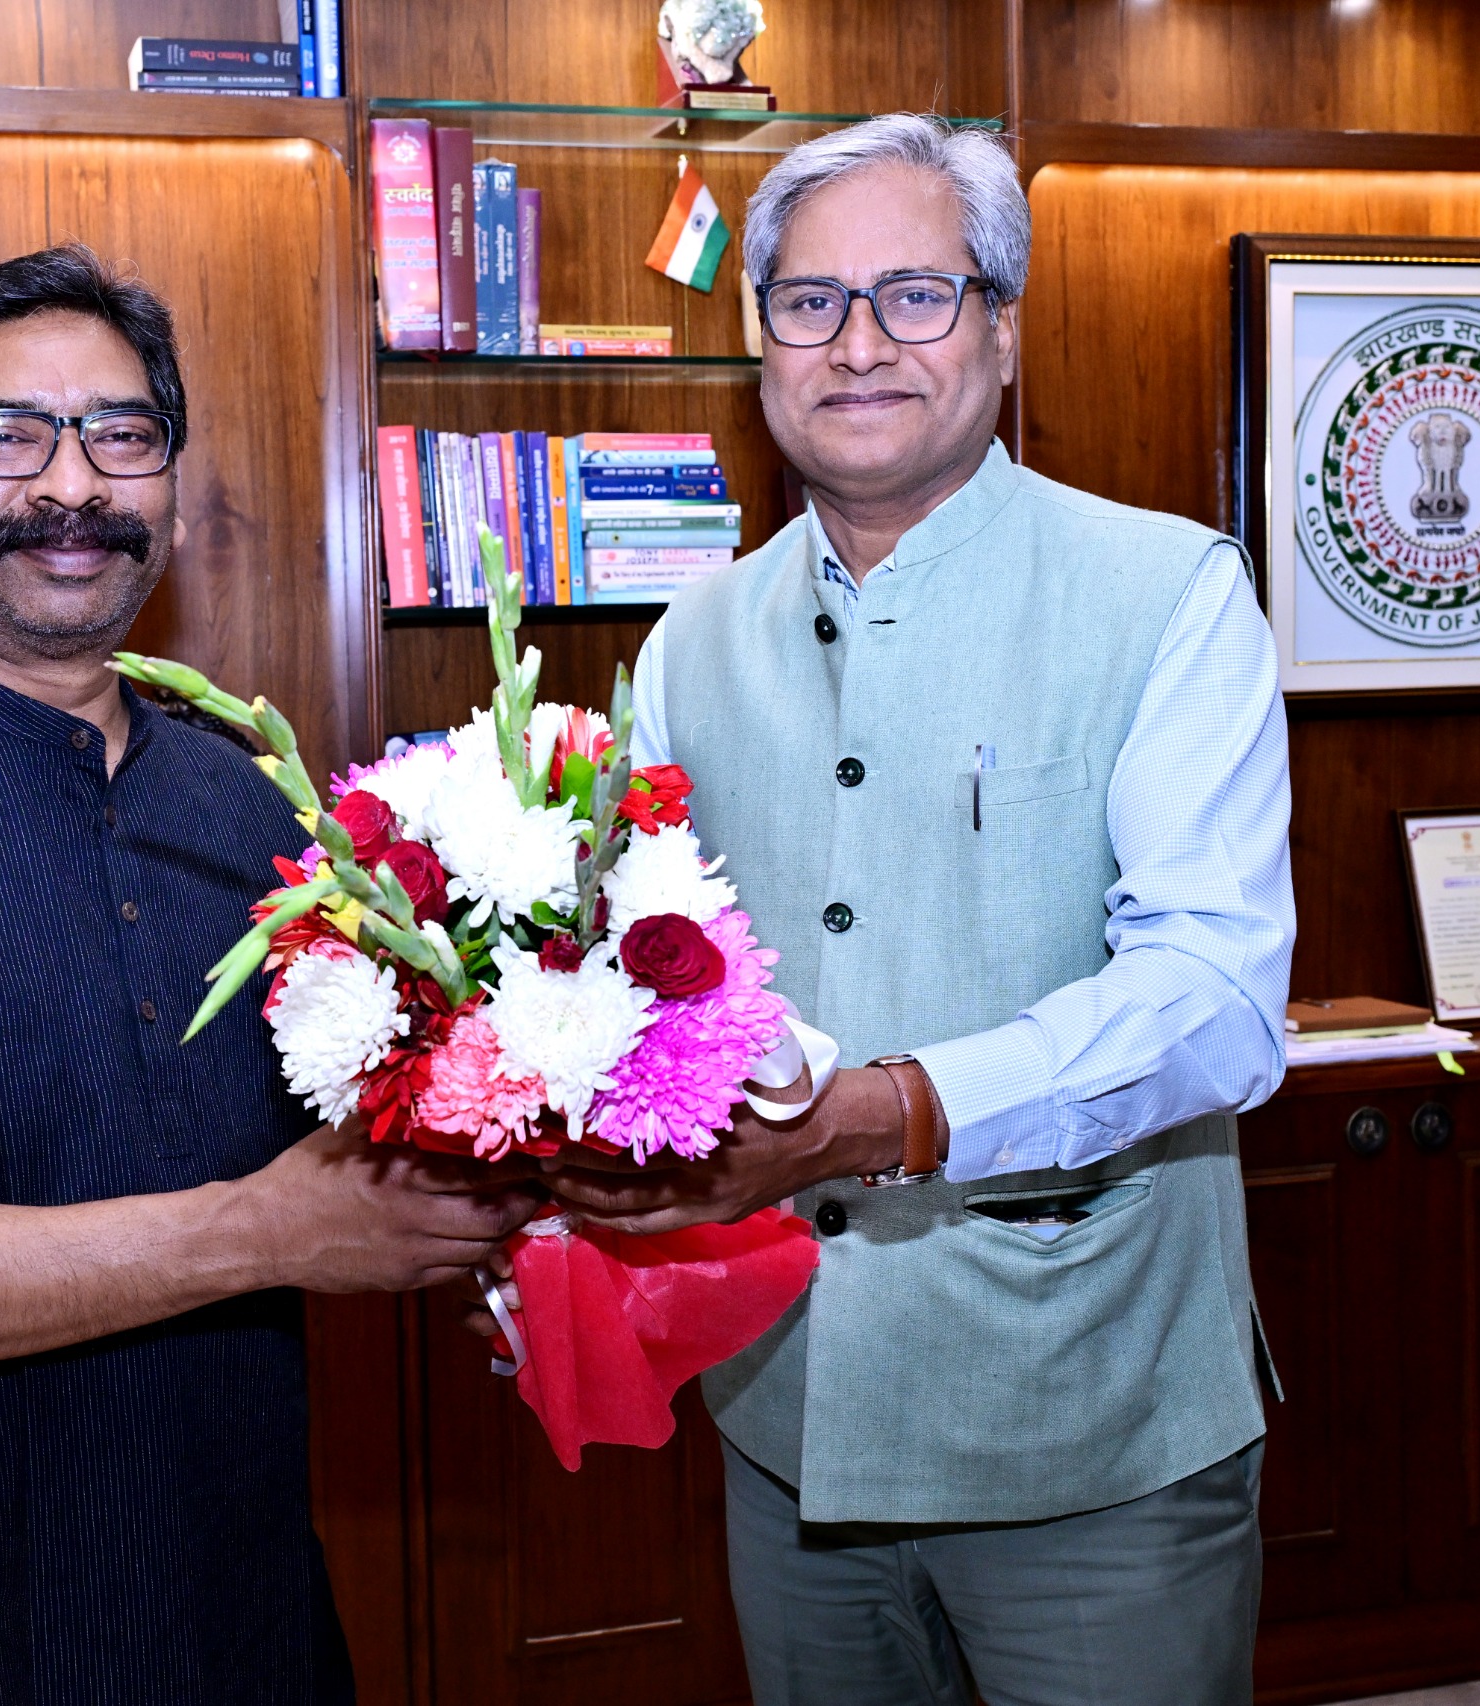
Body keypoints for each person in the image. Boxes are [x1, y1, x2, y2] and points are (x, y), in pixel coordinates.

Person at [0, 245, 541, 1705]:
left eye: (123, 435)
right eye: (7, 434)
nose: (74, 484)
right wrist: (256, 1233)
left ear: (172, 495)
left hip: (241, 1621)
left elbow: (337, 1165)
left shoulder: (256, 811)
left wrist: (474, 1221)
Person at [547, 115, 1295, 1706]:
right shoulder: (688, 641)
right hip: (788, 1418)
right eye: (810, 302)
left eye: (916, 294)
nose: (860, 343)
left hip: (1087, 1425)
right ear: (762, 342)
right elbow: (650, 998)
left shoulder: (1168, 593)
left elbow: (1218, 1000)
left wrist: (887, 1114)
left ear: (1002, 327)